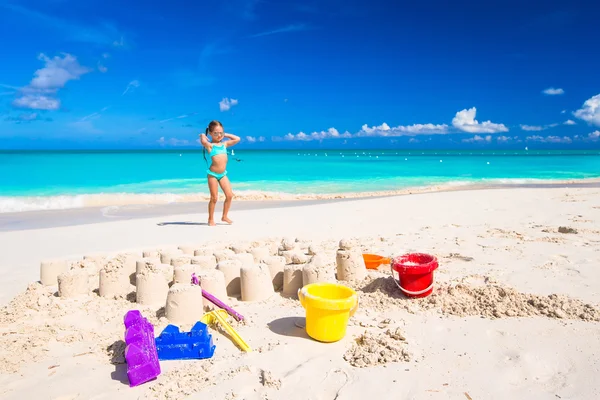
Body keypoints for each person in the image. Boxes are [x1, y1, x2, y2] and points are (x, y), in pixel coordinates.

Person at [199, 120, 240, 226]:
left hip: (223, 174)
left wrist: (224, 134)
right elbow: (203, 141)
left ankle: (224, 216)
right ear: (211, 133)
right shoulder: (210, 145)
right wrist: (203, 134)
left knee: (230, 195)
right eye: (216, 133)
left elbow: (237, 139)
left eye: (221, 132)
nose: (219, 135)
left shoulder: (224, 144)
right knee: (214, 198)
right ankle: (210, 219)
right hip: (212, 174)